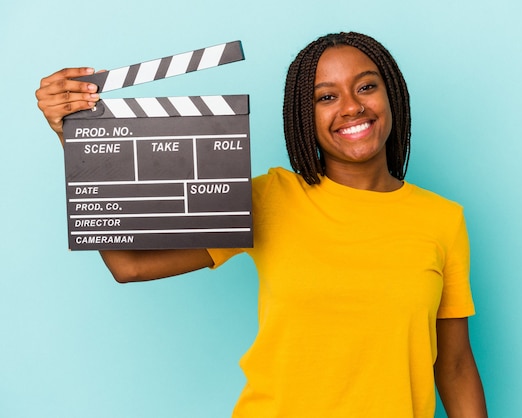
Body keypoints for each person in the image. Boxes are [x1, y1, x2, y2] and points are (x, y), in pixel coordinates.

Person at [36, 32, 487, 417]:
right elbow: (130, 265)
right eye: (326, 97)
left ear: (392, 95)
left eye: (365, 87)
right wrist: (73, 137)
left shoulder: (442, 219)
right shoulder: (268, 198)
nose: (351, 107)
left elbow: (455, 365)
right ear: (303, 117)